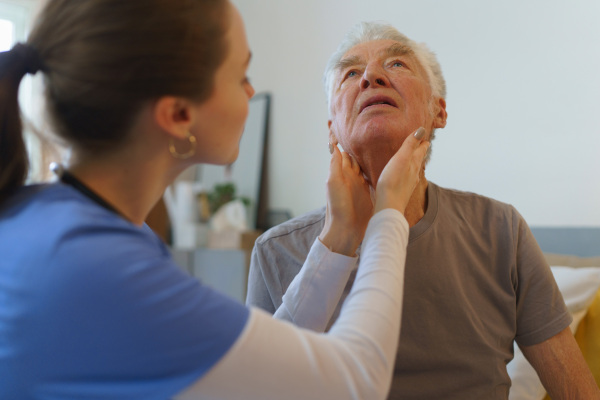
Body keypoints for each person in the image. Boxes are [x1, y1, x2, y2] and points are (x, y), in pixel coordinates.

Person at [0, 1, 432, 399]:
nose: (250, 93)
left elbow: (252, 369)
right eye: (241, 75)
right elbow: (354, 380)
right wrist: (388, 213)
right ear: (178, 114)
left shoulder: (67, 225)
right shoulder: (97, 265)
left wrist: (339, 237)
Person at [246, 21, 600, 399]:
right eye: (351, 72)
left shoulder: (502, 230)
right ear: (332, 129)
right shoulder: (275, 252)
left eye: (396, 64)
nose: (370, 77)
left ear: (439, 112)